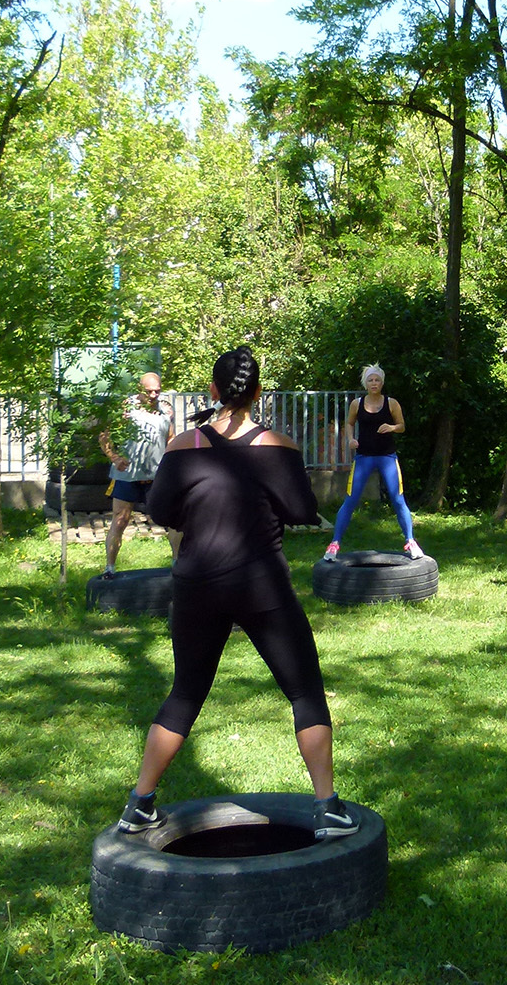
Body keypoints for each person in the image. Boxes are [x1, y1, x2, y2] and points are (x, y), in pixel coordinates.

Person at [120, 347, 357, 840]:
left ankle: (139, 805)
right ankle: (327, 808)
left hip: (196, 586)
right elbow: (302, 511)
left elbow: (160, 509)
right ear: (258, 392)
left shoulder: (184, 445)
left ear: (213, 390)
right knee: (305, 692)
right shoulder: (278, 445)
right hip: (261, 586)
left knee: (185, 694)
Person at [324, 365, 422, 561]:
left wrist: (391, 427)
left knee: (398, 499)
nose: (374, 383)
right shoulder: (357, 404)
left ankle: (410, 541)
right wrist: (350, 439)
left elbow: (402, 426)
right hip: (364, 457)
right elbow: (349, 423)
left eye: (377, 380)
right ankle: (334, 544)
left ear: (382, 382)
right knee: (351, 500)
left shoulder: (391, 403)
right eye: (370, 380)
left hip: (387, 457)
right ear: (365, 384)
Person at [98, 372, 177, 578]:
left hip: (156, 476)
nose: (153, 395)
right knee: (120, 520)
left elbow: (171, 438)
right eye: (149, 391)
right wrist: (114, 457)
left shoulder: (165, 411)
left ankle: (178, 565)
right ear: (139, 389)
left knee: (174, 520)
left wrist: (170, 461)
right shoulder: (126, 409)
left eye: (157, 391)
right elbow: (104, 436)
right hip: (127, 476)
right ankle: (109, 568)